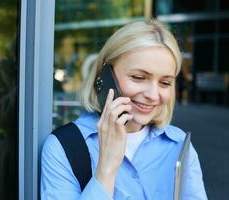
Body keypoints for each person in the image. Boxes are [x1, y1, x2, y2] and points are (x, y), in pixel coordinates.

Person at [41, 19, 207, 200]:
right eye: (138, 77)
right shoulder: (63, 147)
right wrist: (106, 169)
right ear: (104, 76)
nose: (153, 94)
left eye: (165, 83)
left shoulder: (179, 144)